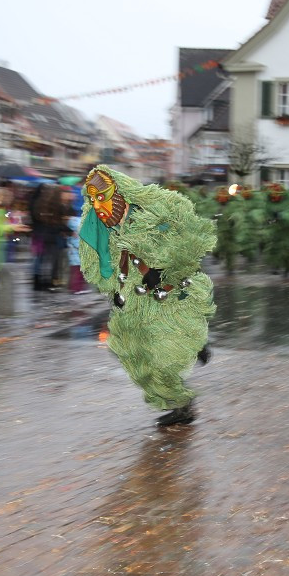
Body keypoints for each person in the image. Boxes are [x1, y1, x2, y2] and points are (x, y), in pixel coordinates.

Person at [78, 165, 216, 426]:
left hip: (167, 294)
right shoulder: (100, 227)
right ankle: (178, 400)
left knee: (163, 350)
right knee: (131, 351)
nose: (99, 206)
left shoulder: (153, 214)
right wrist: (114, 288)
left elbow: (186, 243)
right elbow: (103, 263)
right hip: (133, 296)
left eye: (103, 196)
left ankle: (189, 358)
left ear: (118, 194)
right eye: (93, 199)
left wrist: (163, 269)